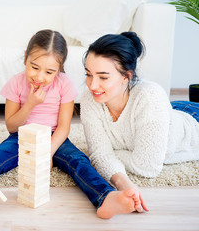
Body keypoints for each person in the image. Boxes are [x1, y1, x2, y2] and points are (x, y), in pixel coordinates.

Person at [0, 29, 141, 219]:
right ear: (25, 59)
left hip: (54, 138)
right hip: (21, 136)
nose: (40, 77)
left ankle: (105, 198)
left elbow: (63, 127)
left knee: (78, 161)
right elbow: (12, 126)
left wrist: (47, 152)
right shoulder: (16, 83)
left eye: (50, 71)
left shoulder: (64, 84)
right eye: (34, 67)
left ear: (60, 69)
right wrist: (30, 104)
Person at [80, 31, 199, 213]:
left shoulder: (150, 97)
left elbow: (147, 166)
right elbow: (98, 154)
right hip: (171, 110)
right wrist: (123, 183)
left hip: (192, 120)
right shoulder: (90, 99)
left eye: (103, 77)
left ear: (126, 76)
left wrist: (108, 154)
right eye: (89, 74)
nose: (92, 85)